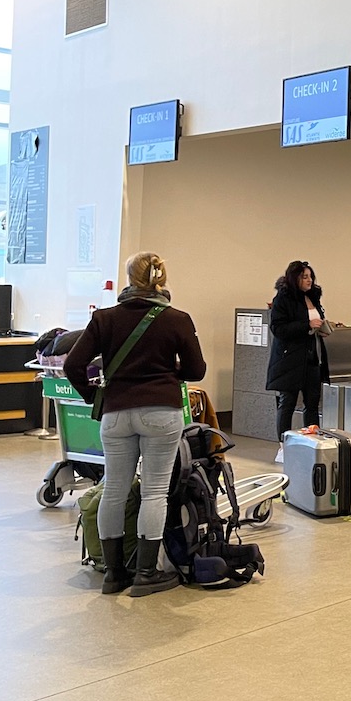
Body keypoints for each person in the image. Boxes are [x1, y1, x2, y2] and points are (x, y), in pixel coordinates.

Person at [65, 251, 206, 597]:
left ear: (129, 278)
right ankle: (146, 573)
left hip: (115, 414)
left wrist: (94, 395)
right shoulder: (178, 319)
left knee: (114, 489)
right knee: (154, 492)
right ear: (161, 278)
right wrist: (168, 373)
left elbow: (73, 364)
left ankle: (114, 574)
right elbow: (196, 371)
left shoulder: (105, 318)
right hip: (161, 412)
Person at [266, 260, 329, 450]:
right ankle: (284, 444)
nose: (309, 280)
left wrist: (322, 328)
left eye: (310, 276)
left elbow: (314, 320)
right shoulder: (283, 299)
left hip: (312, 357)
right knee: (288, 402)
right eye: (304, 277)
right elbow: (278, 328)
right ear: (295, 278)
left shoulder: (313, 297)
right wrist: (306, 326)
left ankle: (311, 441)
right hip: (290, 360)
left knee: (312, 403)